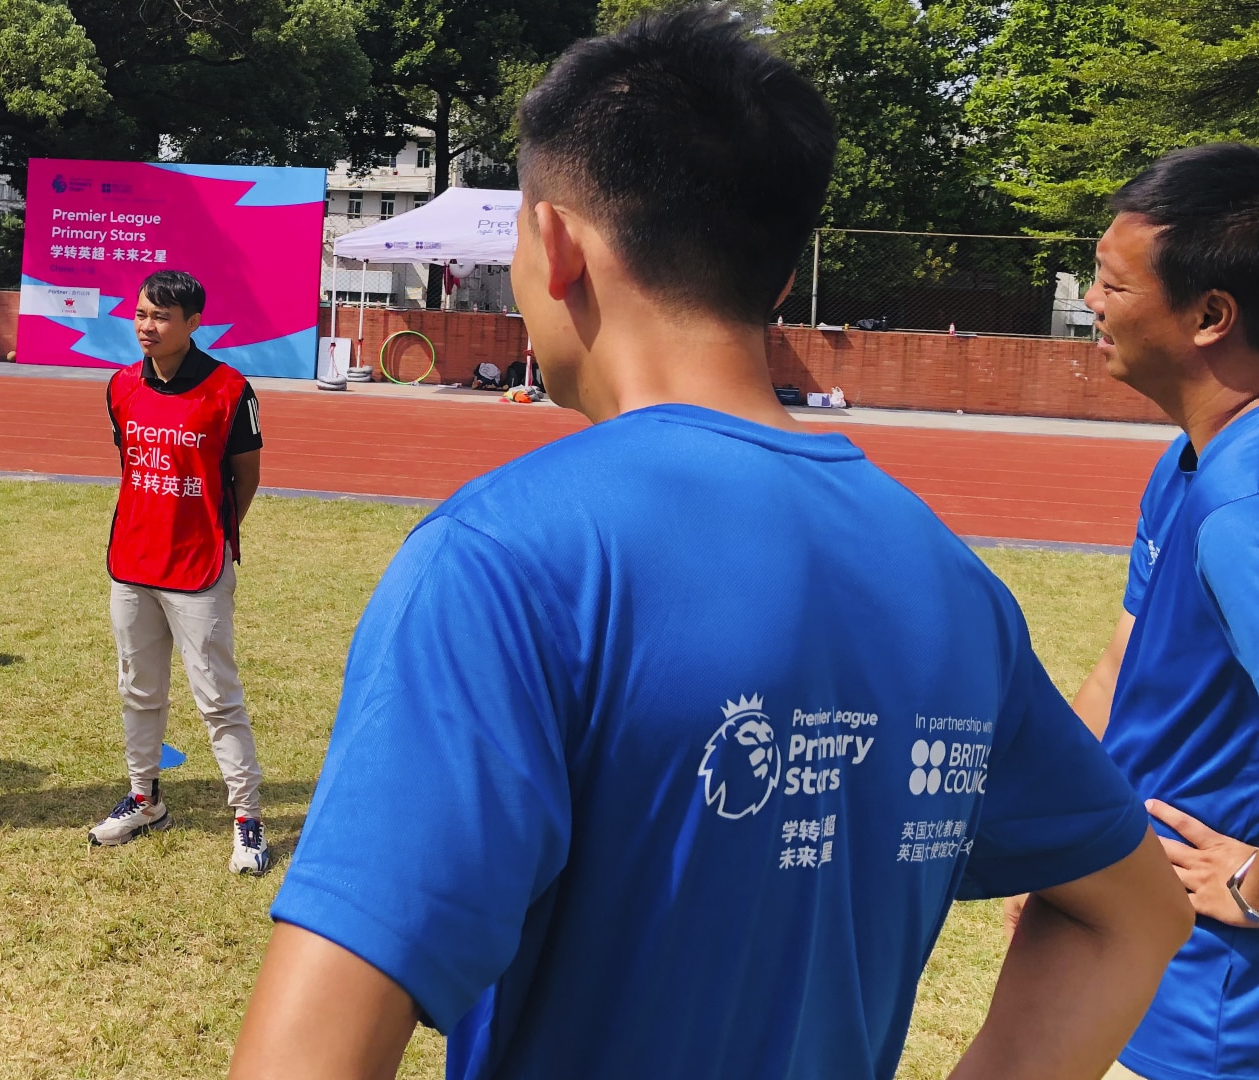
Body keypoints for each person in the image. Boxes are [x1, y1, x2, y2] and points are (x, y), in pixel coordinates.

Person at [229, 12, 1191, 1080]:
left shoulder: (507, 558)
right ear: (778, 278)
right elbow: (1135, 915)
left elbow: (305, 1056)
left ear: (555, 248)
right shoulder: (950, 578)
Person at [1051, 142, 1259, 1080]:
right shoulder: (1189, 464)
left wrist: (1254, 885)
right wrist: (1060, 851)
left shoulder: (1248, 507)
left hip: (1215, 1018)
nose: (1090, 304)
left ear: (1210, 314)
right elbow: (1120, 670)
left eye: (1110, 284)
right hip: (1142, 962)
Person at [88, 269, 270, 876]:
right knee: (137, 689)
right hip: (132, 563)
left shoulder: (228, 389)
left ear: (193, 323)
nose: (147, 326)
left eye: (162, 317)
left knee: (217, 698)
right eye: (141, 314)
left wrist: (216, 533)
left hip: (198, 567)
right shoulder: (119, 385)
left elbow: (245, 477)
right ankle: (146, 799)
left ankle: (246, 819)